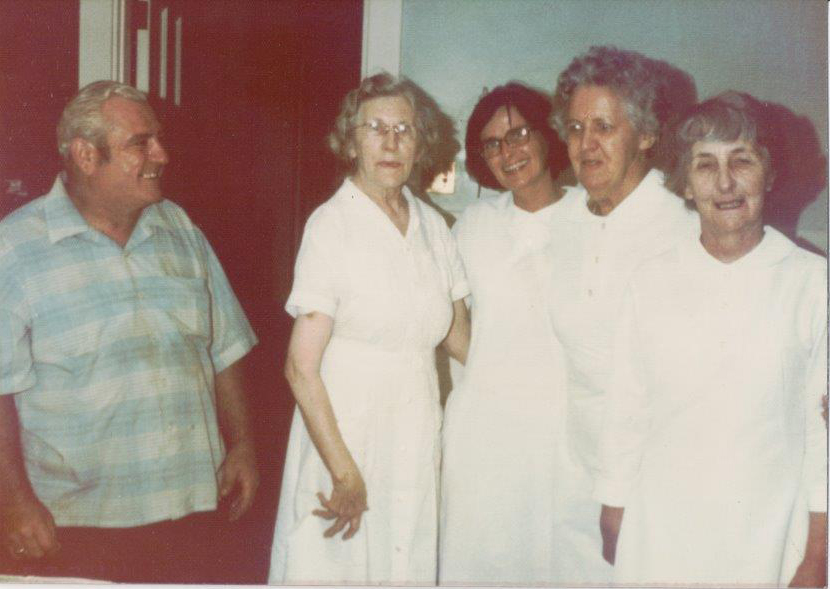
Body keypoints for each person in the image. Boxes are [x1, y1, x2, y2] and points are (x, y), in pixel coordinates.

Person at [0, 81, 259, 583]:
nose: (161, 155)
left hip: (192, 506)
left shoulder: (180, 228)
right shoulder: (14, 250)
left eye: (158, 140)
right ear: (84, 155)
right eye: (140, 143)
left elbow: (225, 347)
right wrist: (14, 502)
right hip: (78, 522)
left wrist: (243, 443)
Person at [595, 91, 827, 587]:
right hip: (663, 531)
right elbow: (625, 408)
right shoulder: (651, 281)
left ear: (768, 172)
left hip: (767, 536)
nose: (724, 183)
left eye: (741, 161)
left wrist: (817, 554)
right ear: (684, 184)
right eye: (705, 165)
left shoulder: (811, 284)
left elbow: (822, 431)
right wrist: (613, 506)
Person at [268, 72, 469, 585]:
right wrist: (343, 471)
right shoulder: (331, 225)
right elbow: (299, 367)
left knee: (405, 562)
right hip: (345, 434)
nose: (391, 142)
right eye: (375, 127)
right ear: (351, 140)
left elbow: (458, 339)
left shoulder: (434, 228)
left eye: (405, 129)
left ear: (421, 142)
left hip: (417, 426)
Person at [542, 46, 698, 583]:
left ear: (647, 135)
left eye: (604, 127)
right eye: (575, 127)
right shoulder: (563, 223)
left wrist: (625, 491)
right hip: (572, 473)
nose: (586, 144)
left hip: (652, 476)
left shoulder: (682, 226)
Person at [438, 83, 571, 584]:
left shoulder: (589, 217)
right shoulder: (473, 224)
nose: (507, 152)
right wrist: (497, 374)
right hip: (485, 433)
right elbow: (447, 321)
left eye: (518, 134)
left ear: (546, 135)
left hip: (561, 432)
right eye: (492, 144)